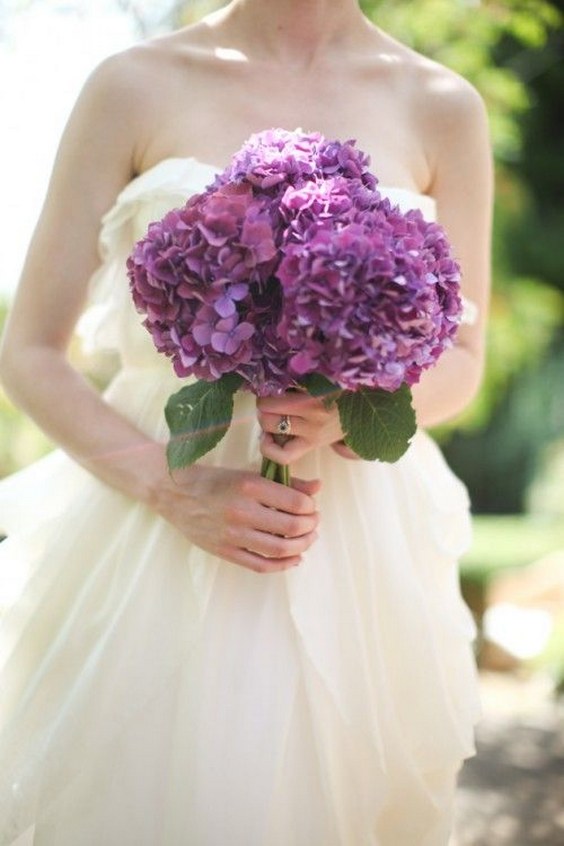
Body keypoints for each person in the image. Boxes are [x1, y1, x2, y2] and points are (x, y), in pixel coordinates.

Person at [0, 0, 492, 843]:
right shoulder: (131, 84)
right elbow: (31, 352)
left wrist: (340, 418)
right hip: (147, 531)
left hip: (353, 545)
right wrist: (170, 485)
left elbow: (462, 360)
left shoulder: (441, 101)